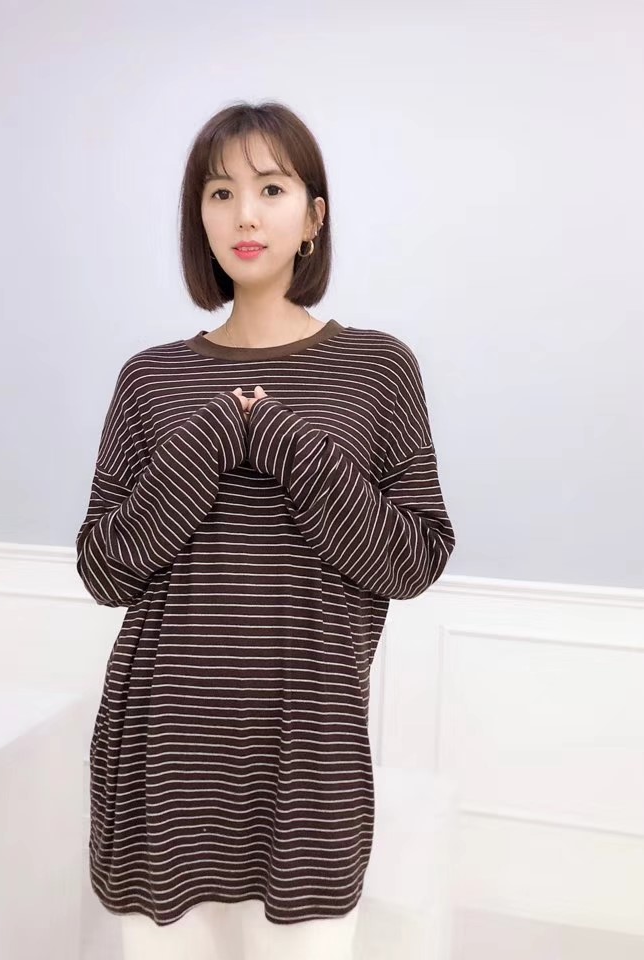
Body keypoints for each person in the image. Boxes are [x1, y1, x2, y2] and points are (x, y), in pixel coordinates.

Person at [76, 99, 456, 960]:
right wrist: (213, 437)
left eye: (271, 189)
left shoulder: (378, 367)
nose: (244, 214)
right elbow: (104, 569)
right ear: (199, 219)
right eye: (220, 193)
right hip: (163, 757)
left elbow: (414, 558)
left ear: (314, 217)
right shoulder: (150, 379)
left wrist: (282, 441)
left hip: (309, 759)